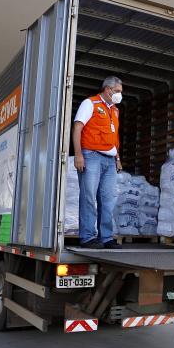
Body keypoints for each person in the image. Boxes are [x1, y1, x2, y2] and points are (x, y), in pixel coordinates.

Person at [73, 76, 124, 249]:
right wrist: (78, 155)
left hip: (110, 160)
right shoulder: (90, 103)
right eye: (117, 91)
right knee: (88, 197)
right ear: (108, 89)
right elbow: (77, 128)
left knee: (108, 199)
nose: (119, 95)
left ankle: (106, 237)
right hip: (91, 156)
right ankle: (87, 237)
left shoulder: (115, 110)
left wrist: (117, 158)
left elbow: (114, 136)